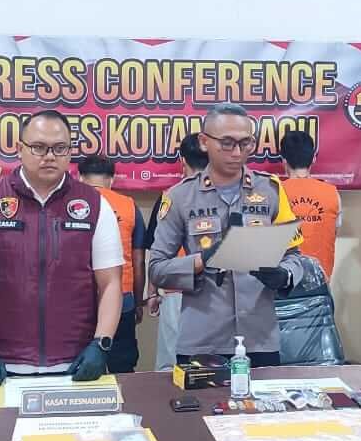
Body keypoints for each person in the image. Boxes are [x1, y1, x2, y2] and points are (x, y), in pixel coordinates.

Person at [0, 110, 123, 384]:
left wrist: (101, 344)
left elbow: (111, 282)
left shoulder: (95, 205)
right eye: (39, 147)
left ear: (70, 151)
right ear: (20, 149)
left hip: (77, 366)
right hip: (2, 367)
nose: (50, 156)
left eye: (59, 148)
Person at [148, 103, 305, 368]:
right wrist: (202, 260)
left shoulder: (271, 190)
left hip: (259, 339)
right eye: (227, 143)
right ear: (204, 141)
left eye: (245, 143)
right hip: (202, 340)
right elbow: (157, 269)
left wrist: (285, 275)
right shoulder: (180, 197)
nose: (237, 152)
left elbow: (294, 255)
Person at [144, 134, 209, 370]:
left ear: (182, 161)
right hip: (214, 292)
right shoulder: (224, 196)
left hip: (174, 288)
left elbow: (156, 251)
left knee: (171, 364)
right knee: (209, 363)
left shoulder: (170, 197)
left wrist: (152, 293)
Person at [77, 154, 145, 373]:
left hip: (78, 299)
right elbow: (138, 260)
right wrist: (138, 302)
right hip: (121, 297)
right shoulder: (129, 206)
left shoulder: (70, 206)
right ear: (112, 179)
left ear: (80, 177)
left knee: (78, 364)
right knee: (122, 365)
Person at [279, 130, 341, 280]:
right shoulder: (332, 193)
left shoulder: (274, 192)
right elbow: (333, 233)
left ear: (283, 160)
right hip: (320, 281)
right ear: (313, 158)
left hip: (283, 280)